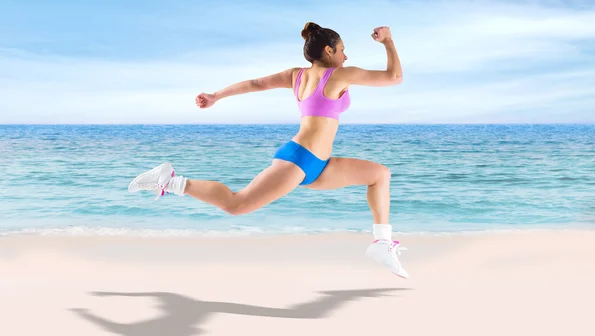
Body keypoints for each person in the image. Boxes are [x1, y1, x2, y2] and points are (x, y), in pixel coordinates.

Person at [128, 22, 408, 278]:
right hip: (299, 160)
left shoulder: (297, 75)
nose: (346, 56)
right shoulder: (339, 75)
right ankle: (170, 180)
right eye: (343, 50)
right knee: (236, 205)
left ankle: (382, 242)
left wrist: (216, 96)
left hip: (318, 165)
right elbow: (394, 77)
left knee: (379, 175)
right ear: (328, 50)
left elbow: (255, 84)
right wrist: (388, 41)